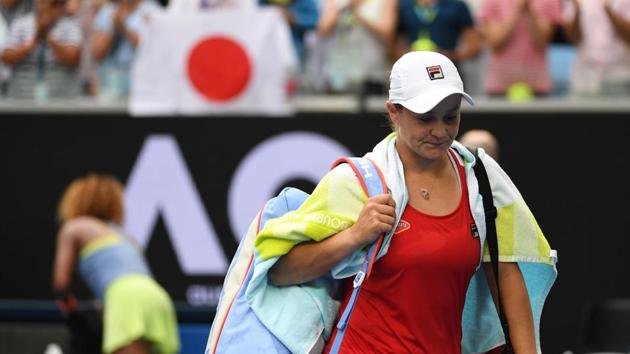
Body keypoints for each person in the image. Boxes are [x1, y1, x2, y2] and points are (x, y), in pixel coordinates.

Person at [248, 51, 557, 353]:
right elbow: (280, 271)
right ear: (394, 111)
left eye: (451, 117)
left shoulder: (482, 180)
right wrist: (354, 235)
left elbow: (505, 273)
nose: (440, 131)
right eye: (425, 118)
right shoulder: (356, 182)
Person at [53, 173, 180, 354]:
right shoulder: (126, 237)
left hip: (126, 300)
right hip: (158, 298)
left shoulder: (74, 227)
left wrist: (71, 313)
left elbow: (61, 284)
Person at [479, 0, 562, 97]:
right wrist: (517, 10)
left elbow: (542, 41)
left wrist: (529, 11)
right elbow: (495, 43)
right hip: (500, 85)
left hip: (537, 86)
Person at [1, 0, 82, 100]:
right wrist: (32, 43)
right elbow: (6, 57)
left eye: (59, 3)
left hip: (61, 97)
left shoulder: (71, 25)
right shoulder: (21, 23)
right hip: (22, 96)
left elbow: (73, 58)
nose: (56, 8)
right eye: (52, 4)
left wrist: (48, 37)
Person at [315, 0, 398, 93]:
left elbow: (388, 34)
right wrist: (345, 7)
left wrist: (358, 12)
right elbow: (322, 31)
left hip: (372, 74)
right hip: (338, 77)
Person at [91, 0, 160, 100]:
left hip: (141, 79)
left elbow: (152, 50)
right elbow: (97, 54)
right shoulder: (107, 11)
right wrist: (114, 29)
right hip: (111, 79)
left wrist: (124, 29)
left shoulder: (152, 10)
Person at [563, 0, 630, 97]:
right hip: (585, 78)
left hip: (620, 76)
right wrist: (577, 10)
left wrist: (608, 10)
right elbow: (573, 39)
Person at [395, 0, 481, 67]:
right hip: (413, 72)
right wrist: (410, 55)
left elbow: (474, 47)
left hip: (448, 72)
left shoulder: (457, 6)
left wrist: (447, 56)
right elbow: (394, 46)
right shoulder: (403, 6)